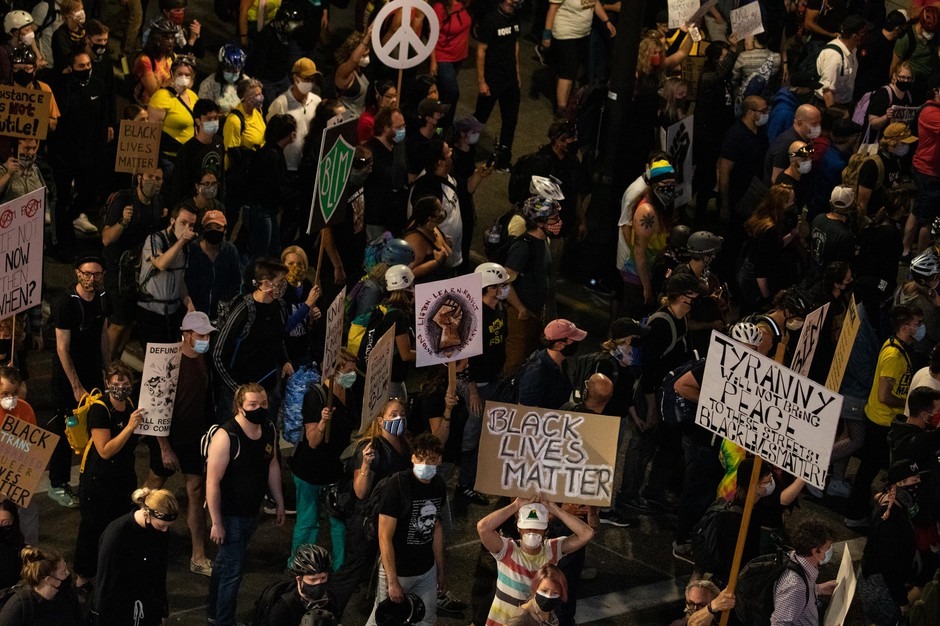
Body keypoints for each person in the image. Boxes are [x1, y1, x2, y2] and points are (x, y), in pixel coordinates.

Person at [206, 383, 284, 626]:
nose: (259, 408)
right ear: (239, 406)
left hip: (252, 512)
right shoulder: (226, 436)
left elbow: (272, 464)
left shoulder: (268, 428)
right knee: (233, 571)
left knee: (224, 564)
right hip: (230, 515)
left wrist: (279, 501)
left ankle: (212, 612)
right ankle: (224, 621)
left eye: (263, 404)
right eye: (252, 404)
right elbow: (212, 482)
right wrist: (217, 522)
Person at [329, 399, 413, 619]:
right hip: (367, 520)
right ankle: (328, 611)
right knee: (355, 567)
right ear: (380, 420)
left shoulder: (405, 445)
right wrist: (366, 465)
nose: (399, 419)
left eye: (402, 414)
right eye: (393, 415)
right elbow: (360, 492)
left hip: (392, 517)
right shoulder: (370, 448)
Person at [147, 311, 216, 576]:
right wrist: (164, 447)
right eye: (201, 335)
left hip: (194, 439)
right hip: (168, 437)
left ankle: (198, 555)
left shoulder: (203, 359)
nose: (206, 339)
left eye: (208, 334)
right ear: (186, 334)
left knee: (196, 492)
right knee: (153, 488)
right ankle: (141, 538)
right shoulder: (167, 362)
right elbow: (155, 407)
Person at [844, 304, 922, 528]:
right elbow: (885, 395)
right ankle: (856, 513)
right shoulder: (893, 355)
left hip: (882, 419)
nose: (921, 327)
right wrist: (908, 402)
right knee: (869, 469)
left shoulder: (897, 346)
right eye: (917, 324)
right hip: (881, 421)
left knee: (870, 468)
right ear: (905, 327)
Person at [72, 361, 144, 590]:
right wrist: (130, 427)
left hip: (122, 477)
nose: (121, 386)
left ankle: (113, 569)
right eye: (117, 382)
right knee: (92, 528)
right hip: (98, 481)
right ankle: (83, 576)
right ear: (107, 384)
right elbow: (105, 450)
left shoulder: (130, 405)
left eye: (125, 382)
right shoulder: (100, 409)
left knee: (121, 526)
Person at [365, 433, 446, 626]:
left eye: (431, 460)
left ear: (440, 460)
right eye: (421, 458)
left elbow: (436, 527)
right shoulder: (397, 485)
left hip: (426, 570)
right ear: (412, 458)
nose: (425, 464)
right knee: (385, 620)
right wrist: (392, 582)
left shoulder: (438, 485)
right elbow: (384, 536)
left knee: (426, 620)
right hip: (399, 571)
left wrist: (440, 570)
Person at [476, 497, 594, 625]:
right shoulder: (507, 550)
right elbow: (483, 527)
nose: (532, 533)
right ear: (518, 529)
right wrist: (516, 505)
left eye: (537, 529)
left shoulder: (552, 549)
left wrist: (555, 509)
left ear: (545, 530)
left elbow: (586, 534)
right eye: (528, 529)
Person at [291, 350, 360, 568]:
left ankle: (340, 567)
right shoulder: (316, 396)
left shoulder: (350, 392)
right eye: (348, 371)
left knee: (338, 520)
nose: (352, 375)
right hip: (311, 470)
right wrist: (322, 422)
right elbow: (312, 441)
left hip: (335, 469)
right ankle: (301, 564)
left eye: (353, 371)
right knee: (308, 521)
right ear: (334, 371)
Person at [49, 256, 108, 509]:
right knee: (67, 428)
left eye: (96, 274)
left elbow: (104, 334)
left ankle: (89, 480)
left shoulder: (104, 298)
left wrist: (109, 369)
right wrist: (75, 386)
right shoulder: (65, 304)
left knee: (93, 426)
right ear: (77, 273)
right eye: (87, 273)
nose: (91, 278)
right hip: (68, 379)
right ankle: (57, 483)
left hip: (93, 374)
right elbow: (62, 348)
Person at [211, 258, 293, 419]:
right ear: (265, 284)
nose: (285, 285)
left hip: (269, 387)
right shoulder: (244, 309)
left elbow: (279, 338)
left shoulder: (281, 306)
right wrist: (237, 389)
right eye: (280, 281)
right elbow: (217, 352)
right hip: (239, 391)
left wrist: (285, 361)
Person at [101, 168, 167, 361]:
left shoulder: (158, 203)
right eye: (149, 177)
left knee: (129, 322)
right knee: (119, 322)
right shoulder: (123, 200)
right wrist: (123, 221)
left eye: (158, 179)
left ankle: (115, 363)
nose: (153, 182)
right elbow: (106, 239)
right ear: (139, 178)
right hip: (117, 269)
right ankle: (105, 366)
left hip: (139, 271)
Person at [94, 488, 179, 625]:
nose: (165, 531)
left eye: (168, 527)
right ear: (147, 514)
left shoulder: (160, 530)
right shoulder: (116, 535)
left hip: (146, 600)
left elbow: (159, 570)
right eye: (161, 526)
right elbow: (106, 582)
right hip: (120, 605)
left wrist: (162, 608)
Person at [857, 459, 926, 625]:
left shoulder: (895, 504)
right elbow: (890, 565)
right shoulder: (890, 518)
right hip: (880, 589)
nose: (919, 483)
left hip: (880, 582)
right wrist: (902, 601)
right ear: (900, 483)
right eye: (914, 480)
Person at [136, 203, 198, 346]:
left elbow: (180, 280)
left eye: (191, 225)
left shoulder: (186, 248)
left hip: (172, 313)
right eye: (183, 222)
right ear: (172, 221)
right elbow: (161, 264)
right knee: (154, 361)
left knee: (171, 358)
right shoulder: (155, 239)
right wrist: (182, 240)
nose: (187, 228)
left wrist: (189, 304)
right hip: (150, 312)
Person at [541, 0, 615, 116]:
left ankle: (568, 103)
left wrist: (607, 21)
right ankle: (561, 110)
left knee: (574, 70)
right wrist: (547, 35)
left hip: (583, 33)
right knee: (567, 72)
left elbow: (595, 3)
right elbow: (553, 9)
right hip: (565, 32)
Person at [473, 0, 522, 172]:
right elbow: (481, 51)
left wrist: (517, 74)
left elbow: (515, 45)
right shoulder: (490, 21)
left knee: (510, 121)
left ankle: (503, 160)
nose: (513, 3)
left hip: (510, 81)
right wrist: (481, 81)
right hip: (492, 79)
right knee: (480, 118)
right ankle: (465, 150)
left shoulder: (515, 18)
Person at [770, 519, 838, 624]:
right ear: (815, 551)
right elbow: (779, 623)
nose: (830, 551)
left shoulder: (796, 558)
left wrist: (818, 589)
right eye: (827, 548)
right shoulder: (796, 586)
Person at [184, 208, 241, 321]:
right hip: (193, 312)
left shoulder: (230, 251)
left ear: (224, 230)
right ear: (203, 229)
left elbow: (235, 282)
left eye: (218, 228)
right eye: (209, 228)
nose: (213, 231)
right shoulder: (192, 250)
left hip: (221, 315)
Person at [0, 547, 81, 625]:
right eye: (64, 572)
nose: (68, 573)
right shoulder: (18, 608)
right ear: (48, 580)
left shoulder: (68, 595)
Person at [147, 54, 198, 174]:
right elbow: (152, 133)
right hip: (168, 159)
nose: (183, 77)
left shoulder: (193, 96)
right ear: (172, 74)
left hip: (186, 158)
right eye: (180, 74)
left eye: (187, 75)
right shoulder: (161, 97)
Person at [518, 319, 586, 409]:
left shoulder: (562, 362)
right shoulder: (536, 373)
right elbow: (525, 412)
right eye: (573, 340)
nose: (577, 344)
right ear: (559, 345)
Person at [267, 544, 337, 624]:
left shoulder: (330, 599)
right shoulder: (285, 607)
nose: (319, 583)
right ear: (299, 580)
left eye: (323, 578)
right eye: (313, 580)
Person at [815, 15, 865, 109]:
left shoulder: (852, 50)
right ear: (854, 36)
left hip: (843, 104)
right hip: (828, 106)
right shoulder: (834, 56)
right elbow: (827, 92)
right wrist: (835, 117)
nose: (865, 35)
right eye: (863, 33)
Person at [404, 195, 453, 282]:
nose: (443, 212)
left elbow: (446, 251)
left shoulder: (433, 228)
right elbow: (409, 272)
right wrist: (436, 262)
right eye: (440, 210)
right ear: (430, 218)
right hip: (427, 289)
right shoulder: (417, 240)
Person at [132, 17, 179, 105]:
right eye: (166, 38)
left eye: (172, 38)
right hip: (146, 105)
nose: (170, 42)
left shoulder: (172, 57)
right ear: (156, 39)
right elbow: (155, 93)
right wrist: (175, 75)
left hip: (167, 102)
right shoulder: (145, 61)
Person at [333, 29, 371, 116]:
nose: (367, 58)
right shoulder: (343, 72)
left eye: (367, 54)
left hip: (358, 119)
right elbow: (353, 60)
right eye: (363, 55)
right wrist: (367, 38)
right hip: (346, 121)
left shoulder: (359, 71)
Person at [668, 579, 734, 626]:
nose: (695, 609)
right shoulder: (678, 624)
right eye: (691, 604)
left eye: (702, 605)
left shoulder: (724, 621)